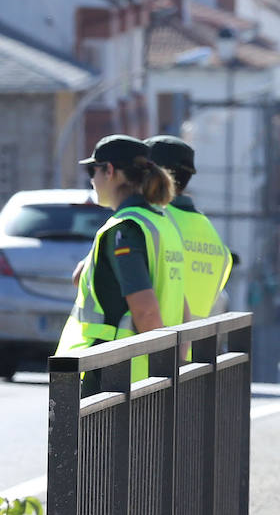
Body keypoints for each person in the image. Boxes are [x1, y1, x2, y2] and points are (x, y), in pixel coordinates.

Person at [57, 135, 188, 382]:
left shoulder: (125, 229)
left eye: (91, 170)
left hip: (113, 379)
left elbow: (146, 311)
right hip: (144, 378)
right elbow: (183, 307)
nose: (91, 180)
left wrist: (165, 371)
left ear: (109, 171)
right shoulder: (162, 223)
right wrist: (175, 368)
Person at [146, 135, 232, 319]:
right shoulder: (214, 238)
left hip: (149, 343)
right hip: (192, 346)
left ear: (153, 173)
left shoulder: (151, 221)